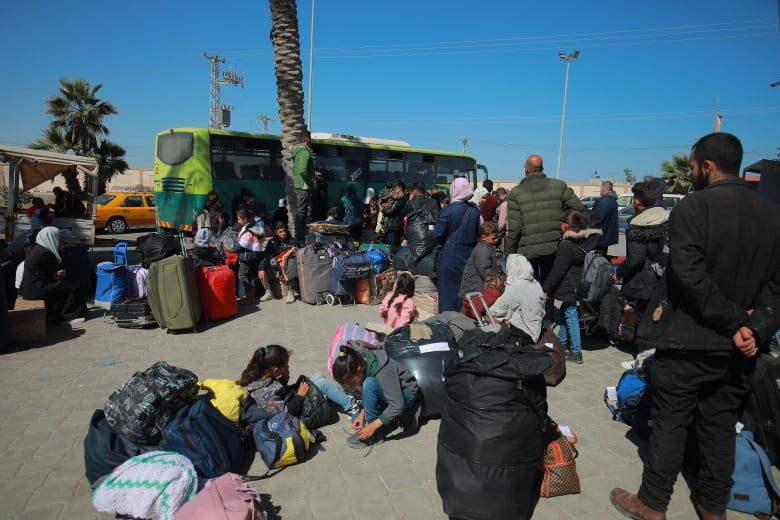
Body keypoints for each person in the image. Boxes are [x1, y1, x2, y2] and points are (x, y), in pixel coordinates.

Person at [610, 132, 780, 520]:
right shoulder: (773, 213)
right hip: (740, 347)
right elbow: (777, 289)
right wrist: (756, 328)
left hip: (689, 339)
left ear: (707, 165)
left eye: (691, 166)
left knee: (671, 424)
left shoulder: (694, 207)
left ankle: (654, 503)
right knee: (721, 427)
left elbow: (688, 275)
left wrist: (739, 322)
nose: (690, 173)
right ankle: (713, 506)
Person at [505, 154, 585, 284]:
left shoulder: (516, 192)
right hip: (553, 246)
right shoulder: (559, 185)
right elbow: (578, 207)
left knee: (530, 287)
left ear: (526, 169)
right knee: (549, 285)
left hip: (528, 249)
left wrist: (510, 252)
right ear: (542, 168)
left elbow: (516, 228)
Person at [238, 344, 361, 425]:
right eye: (285, 365)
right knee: (322, 384)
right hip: (294, 416)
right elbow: (285, 412)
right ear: (275, 370)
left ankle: (333, 399)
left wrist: (284, 378)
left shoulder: (260, 377)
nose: (287, 366)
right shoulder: (263, 393)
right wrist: (300, 396)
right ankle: (351, 406)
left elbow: (276, 392)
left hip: (291, 399)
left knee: (317, 376)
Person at [542, 209, 603, 364]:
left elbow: (558, 270)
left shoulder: (566, 245)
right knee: (565, 312)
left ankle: (576, 351)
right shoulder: (585, 240)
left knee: (570, 314)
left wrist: (546, 288)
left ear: (565, 225)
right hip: (579, 283)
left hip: (569, 285)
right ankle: (561, 342)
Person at [332, 344, 420, 448]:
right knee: (356, 418)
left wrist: (373, 426)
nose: (352, 386)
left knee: (369, 383)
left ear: (359, 369)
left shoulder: (383, 371)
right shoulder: (361, 361)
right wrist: (362, 413)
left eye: (352, 382)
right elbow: (369, 393)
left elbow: (397, 405)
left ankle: (376, 435)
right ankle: (388, 422)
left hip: (406, 395)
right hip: (388, 392)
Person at [614, 181, 669, 342]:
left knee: (641, 318)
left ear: (637, 200)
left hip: (643, 279)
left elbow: (635, 259)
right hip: (661, 275)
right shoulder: (664, 219)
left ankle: (640, 354)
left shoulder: (638, 225)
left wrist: (619, 272)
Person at [19, 226, 87, 324]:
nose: (60, 241)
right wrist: (60, 274)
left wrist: (57, 274)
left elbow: (46, 273)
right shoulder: (45, 254)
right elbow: (52, 274)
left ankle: (58, 312)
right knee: (74, 286)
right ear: (51, 238)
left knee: (65, 284)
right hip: (35, 289)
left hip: (28, 288)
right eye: (58, 238)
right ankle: (68, 316)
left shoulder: (38, 249)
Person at [433, 177, 481, 313]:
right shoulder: (475, 211)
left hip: (449, 258)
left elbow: (437, 234)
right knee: (464, 292)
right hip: (468, 257)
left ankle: (448, 324)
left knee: (448, 294)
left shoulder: (448, 210)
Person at [489, 254, 545, 342]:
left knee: (490, 321)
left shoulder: (517, 286)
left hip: (524, 332)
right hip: (536, 329)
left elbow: (495, 310)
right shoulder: (536, 284)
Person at [459, 221, 500, 305]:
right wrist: (498, 279)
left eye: (497, 237)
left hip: (477, 286)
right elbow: (484, 270)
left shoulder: (489, 248)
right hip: (474, 288)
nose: (496, 240)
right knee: (472, 309)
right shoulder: (482, 251)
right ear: (484, 237)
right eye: (493, 238)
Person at [259, 222, 296, 303]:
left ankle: (290, 292)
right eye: (281, 232)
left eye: (284, 231)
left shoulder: (292, 241)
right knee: (262, 269)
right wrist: (261, 268)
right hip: (276, 266)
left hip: (287, 266)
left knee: (290, 264)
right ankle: (268, 292)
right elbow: (266, 256)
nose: (284, 233)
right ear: (275, 232)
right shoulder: (272, 242)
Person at [403, 182, 440, 259]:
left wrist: (410, 199)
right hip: (433, 235)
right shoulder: (434, 201)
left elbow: (404, 218)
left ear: (415, 191)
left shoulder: (410, 203)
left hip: (417, 237)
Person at [235, 209, 265, 305]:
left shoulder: (248, 230)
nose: (238, 221)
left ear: (245, 219)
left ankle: (250, 297)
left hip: (247, 256)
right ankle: (251, 297)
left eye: (239, 219)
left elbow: (243, 244)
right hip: (254, 255)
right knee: (250, 276)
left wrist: (232, 248)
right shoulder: (254, 227)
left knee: (242, 275)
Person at [293, 129, 316, 245]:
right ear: (307, 139)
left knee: (301, 212)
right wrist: (312, 183)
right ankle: (299, 239)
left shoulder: (298, 152)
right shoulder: (305, 152)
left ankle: (299, 238)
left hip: (298, 185)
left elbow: (296, 170)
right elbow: (302, 170)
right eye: (311, 139)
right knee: (301, 212)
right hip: (303, 187)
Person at [591, 180, 619, 255]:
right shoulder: (611, 200)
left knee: (597, 260)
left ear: (603, 188)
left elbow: (597, 218)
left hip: (600, 237)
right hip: (605, 237)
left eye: (600, 188)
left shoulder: (606, 200)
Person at [381, 182, 407, 248]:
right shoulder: (404, 198)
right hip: (397, 225)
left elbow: (391, 211)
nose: (395, 189)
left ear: (399, 189)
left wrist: (383, 210)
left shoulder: (400, 199)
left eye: (396, 188)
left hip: (394, 225)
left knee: (391, 246)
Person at [495, 187, 509, 253]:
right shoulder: (513, 201)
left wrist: (496, 235)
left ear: (499, 196)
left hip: (507, 235)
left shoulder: (504, 205)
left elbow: (502, 224)